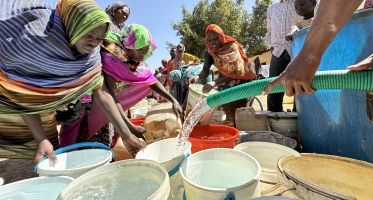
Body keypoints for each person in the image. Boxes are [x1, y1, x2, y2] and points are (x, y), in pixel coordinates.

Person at [0, 0, 114, 163]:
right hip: (29, 103)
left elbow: (101, 92)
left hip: (71, 102)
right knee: (69, 126)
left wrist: (127, 133)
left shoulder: (91, 55)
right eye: (89, 35)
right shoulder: (34, 41)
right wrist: (41, 139)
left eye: (100, 39)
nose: (94, 42)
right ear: (74, 25)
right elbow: (21, 92)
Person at [58, 24, 183, 154]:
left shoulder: (132, 58)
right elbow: (109, 96)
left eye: (146, 50)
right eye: (141, 49)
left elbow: (150, 80)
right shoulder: (112, 56)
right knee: (76, 134)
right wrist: (129, 128)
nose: (144, 54)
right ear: (130, 44)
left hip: (103, 100)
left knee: (98, 136)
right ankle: (66, 160)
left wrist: (173, 100)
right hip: (84, 97)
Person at [263, 0, 373, 97]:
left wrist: (307, 58)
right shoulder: (274, 8)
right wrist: (307, 57)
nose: (299, 5)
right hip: (280, 51)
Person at [191, 24, 256, 125]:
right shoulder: (209, 52)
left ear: (221, 36)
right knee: (221, 92)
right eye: (210, 40)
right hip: (226, 79)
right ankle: (230, 119)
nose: (213, 42)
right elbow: (205, 71)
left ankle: (237, 120)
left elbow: (236, 71)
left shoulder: (231, 47)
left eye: (216, 38)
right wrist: (197, 77)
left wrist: (215, 82)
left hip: (243, 77)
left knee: (232, 94)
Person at [266, 0, 302, 112]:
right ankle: (274, 115)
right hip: (277, 52)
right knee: (273, 87)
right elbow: (269, 31)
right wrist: (271, 47)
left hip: (297, 50)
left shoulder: (300, 3)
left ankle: (299, 114)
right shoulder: (272, 7)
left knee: (299, 84)